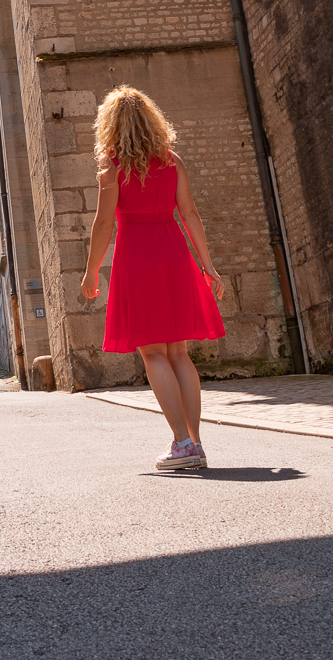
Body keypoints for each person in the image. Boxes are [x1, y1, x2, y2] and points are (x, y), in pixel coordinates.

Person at [79, 85, 226, 472]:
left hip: (138, 258)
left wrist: (92, 269)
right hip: (175, 253)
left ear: (110, 126)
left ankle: (181, 443)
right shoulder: (172, 160)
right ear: (151, 121)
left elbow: (104, 222)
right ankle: (193, 441)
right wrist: (207, 265)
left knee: (153, 352)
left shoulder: (113, 168)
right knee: (179, 352)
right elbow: (190, 214)